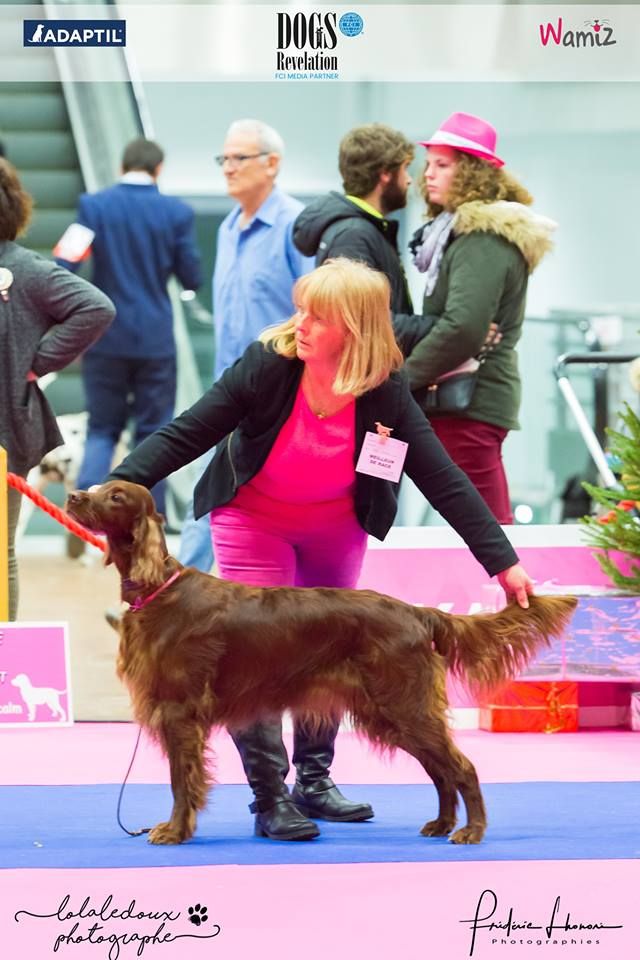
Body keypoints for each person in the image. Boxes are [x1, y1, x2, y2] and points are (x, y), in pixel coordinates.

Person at [105, 257, 534, 841]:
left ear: (354, 330)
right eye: (301, 310)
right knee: (253, 656)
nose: (300, 324)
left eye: (318, 317)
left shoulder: (384, 390)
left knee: (329, 650)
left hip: (335, 525)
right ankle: (270, 798)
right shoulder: (268, 366)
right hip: (255, 519)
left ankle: (315, 781)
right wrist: (116, 490)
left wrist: (503, 563)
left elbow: (442, 478)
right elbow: (189, 431)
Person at [402, 112, 556, 524]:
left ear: (471, 172)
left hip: (470, 399)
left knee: (488, 528)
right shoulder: (458, 233)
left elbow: (464, 328)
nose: (428, 174)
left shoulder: (481, 238)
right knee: (480, 523)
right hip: (463, 398)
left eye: (443, 164)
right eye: (429, 164)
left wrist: (400, 379)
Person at [178, 118, 314, 572]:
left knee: (273, 501)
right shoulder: (228, 228)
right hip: (229, 386)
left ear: (272, 163)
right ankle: (172, 595)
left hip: (283, 393)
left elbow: (314, 309)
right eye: (224, 158)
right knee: (207, 489)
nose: (228, 167)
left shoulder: (297, 226)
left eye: (239, 158)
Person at [56, 137, 202, 521]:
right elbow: (192, 275)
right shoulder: (176, 213)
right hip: (155, 339)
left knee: (102, 429)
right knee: (154, 433)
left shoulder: (94, 206)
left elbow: (65, 262)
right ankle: (146, 522)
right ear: (159, 169)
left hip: (105, 336)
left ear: (122, 167)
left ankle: (85, 518)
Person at [0, 158, 115, 619]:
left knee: (1, 550)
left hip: (5, 430)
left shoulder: (22, 268)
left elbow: (96, 307)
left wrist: (36, 361)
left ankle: (4, 652)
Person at [293, 123, 415, 314]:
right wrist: (441, 325)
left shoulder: (364, 229)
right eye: (405, 168)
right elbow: (362, 319)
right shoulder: (352, 236)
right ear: (385, 174)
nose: (409, 179)